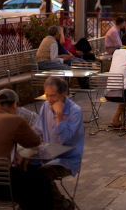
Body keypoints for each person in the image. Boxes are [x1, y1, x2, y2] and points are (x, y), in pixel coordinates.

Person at [0, 89, 54, 210]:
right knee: (42, 183)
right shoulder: (16, 120)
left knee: (24, 181)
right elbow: (35, 142)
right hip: (0, 185)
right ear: (15, 105)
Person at [33, 76, 84, 210]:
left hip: (66, 159)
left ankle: (62, 204)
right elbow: (38, 130)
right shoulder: (45, 106)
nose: (49, 100)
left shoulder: (75, 111)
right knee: (22, 171)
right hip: (46, 155)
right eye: (47, 95)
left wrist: (59, 114)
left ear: (63, 94)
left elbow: (64, 141)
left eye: (53, 96)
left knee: (41, 175)